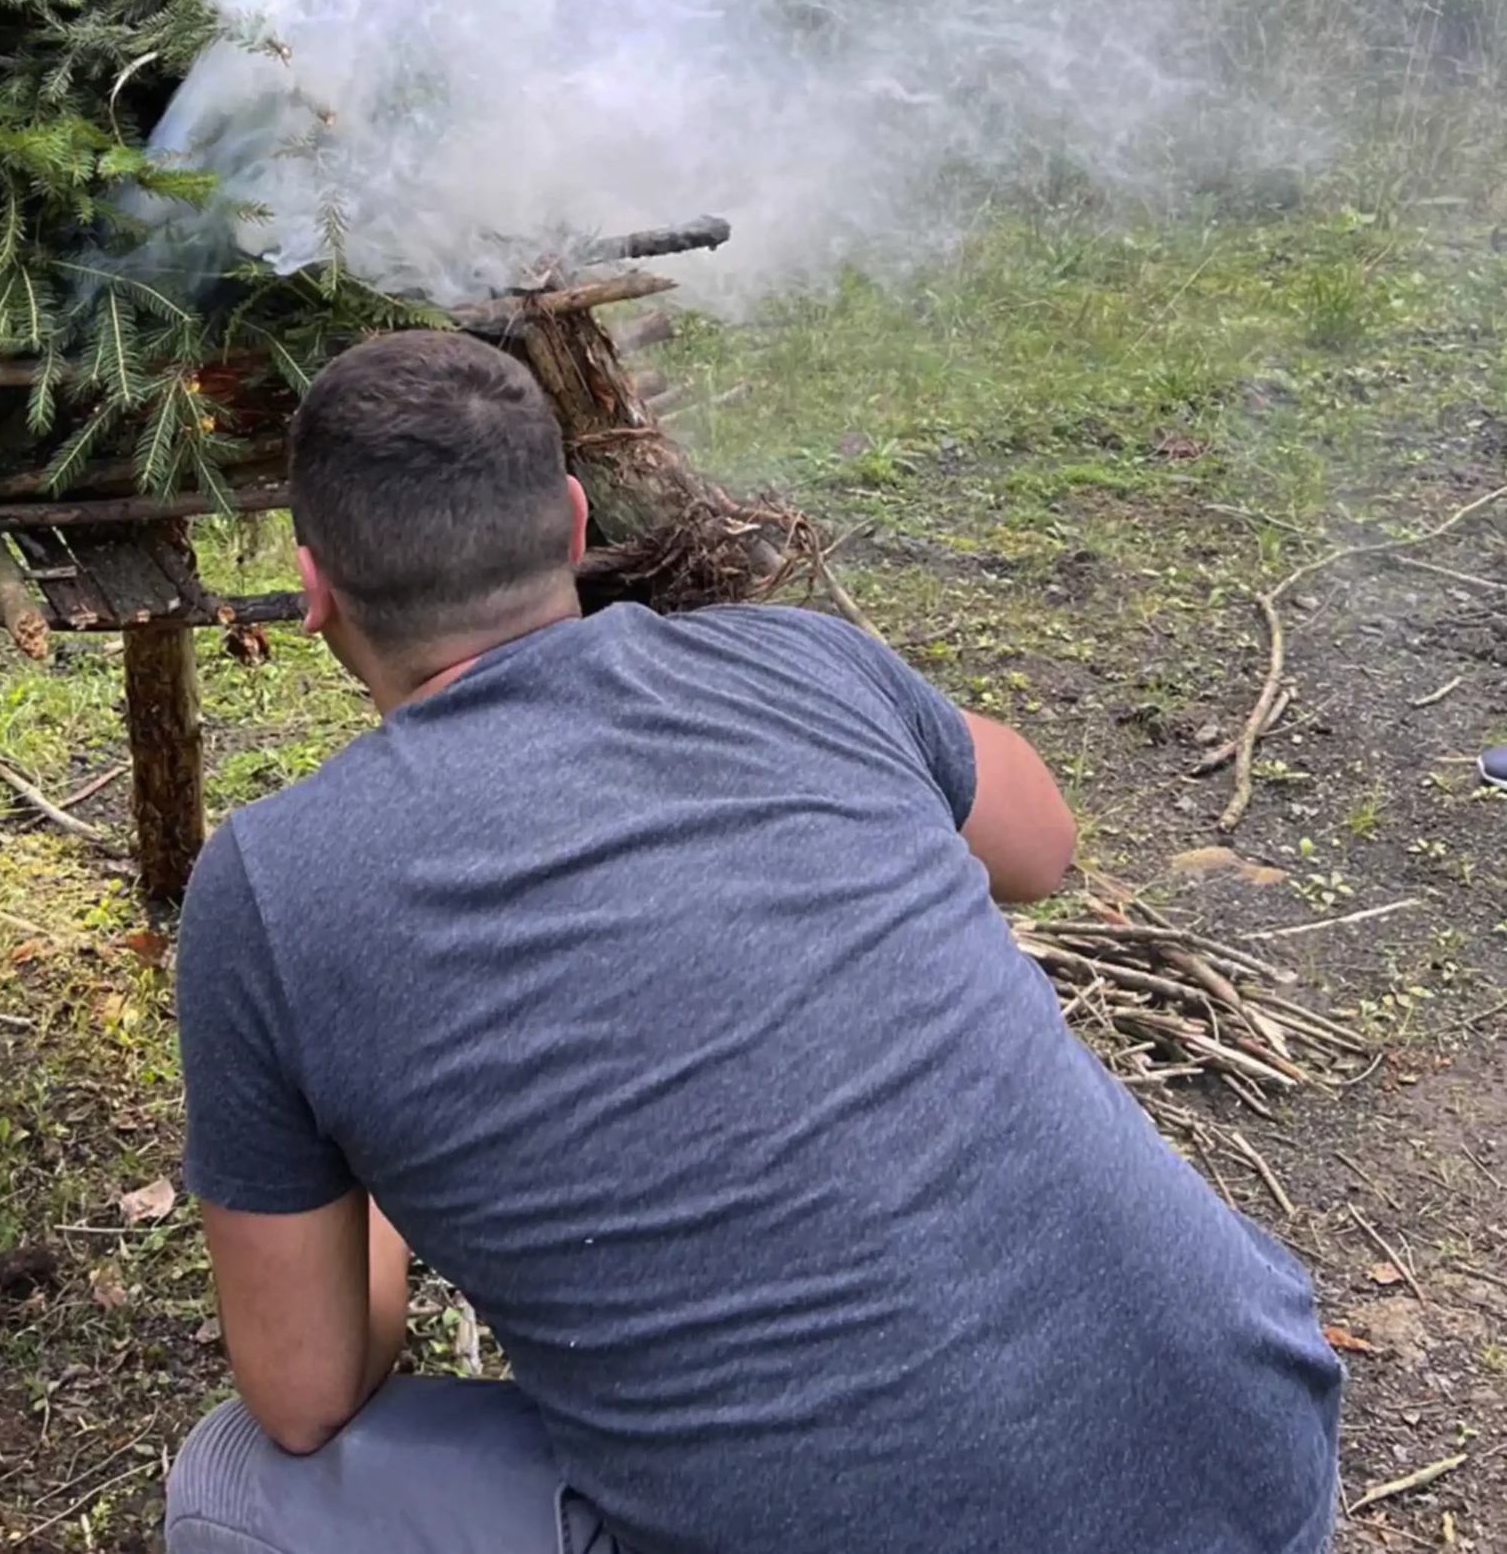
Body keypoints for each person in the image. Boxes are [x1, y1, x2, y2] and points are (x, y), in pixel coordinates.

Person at [167, 330, 1342, 1554]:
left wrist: (376, 1180)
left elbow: (304, 1398)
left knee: (235, 1484)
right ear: (573, 524)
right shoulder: (802, 659)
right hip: (1250, 1461)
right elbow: (1040, 848)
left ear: (311, 593)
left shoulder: (268, 887)